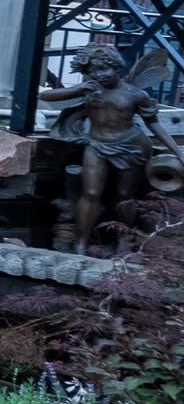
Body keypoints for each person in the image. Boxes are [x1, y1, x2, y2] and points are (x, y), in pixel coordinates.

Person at [49, 42, 179, 255]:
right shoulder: (90, 90)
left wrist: (176, 151)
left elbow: (154, 124)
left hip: (132, 147)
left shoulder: (136, 94)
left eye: (103, 69)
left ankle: (122, 243)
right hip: (97, 146)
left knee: (124, 195)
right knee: (90, 193)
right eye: (92, 71)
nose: (99, 75)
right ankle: (80, 244)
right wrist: (79, 88)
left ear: (117, 67)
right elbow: (45, 97)